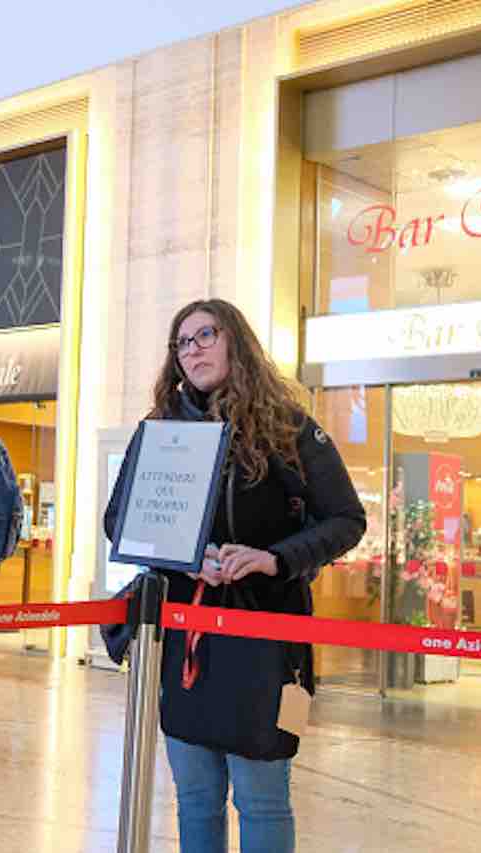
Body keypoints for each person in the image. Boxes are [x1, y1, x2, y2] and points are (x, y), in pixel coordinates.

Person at [104, 299, 365, 853]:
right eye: (182, 343)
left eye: (205, 335)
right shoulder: (160, 430)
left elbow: (346, 518)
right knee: (195, 794)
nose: (192, 349)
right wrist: (184, 556)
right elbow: (118, 520)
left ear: (235, 343)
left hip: (267, 637)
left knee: (261, 794)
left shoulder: (289, 427)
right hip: (186, 638)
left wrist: (276, 558)